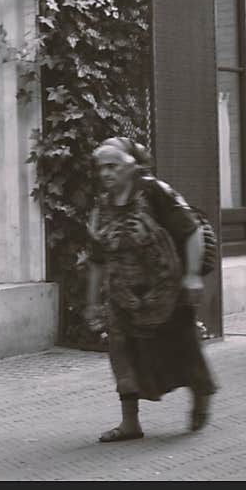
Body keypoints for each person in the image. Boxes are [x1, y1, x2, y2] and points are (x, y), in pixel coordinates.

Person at [85, 137, 217, 442]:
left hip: (167, 290)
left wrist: (193, 275)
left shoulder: (155, 191)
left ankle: (201, 393)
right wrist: (92, 302)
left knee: (183, 348)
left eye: (113, 166)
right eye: (101, 168)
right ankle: (130, 423)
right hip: (122, 296)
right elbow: (96, 259)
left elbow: (191, 230)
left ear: (130, 167)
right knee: (121, 352)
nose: (106, 174)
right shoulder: (102, 206)